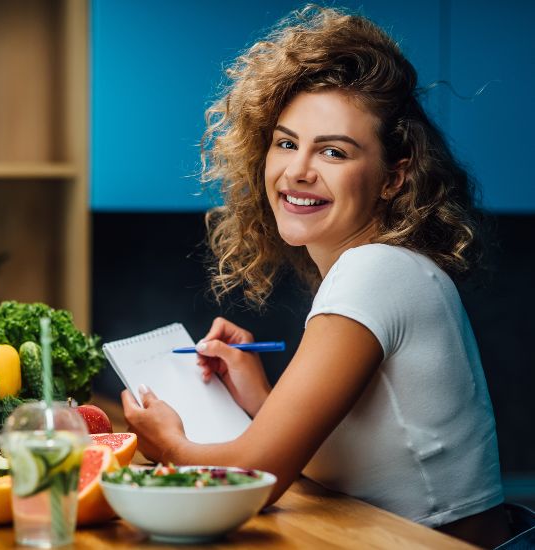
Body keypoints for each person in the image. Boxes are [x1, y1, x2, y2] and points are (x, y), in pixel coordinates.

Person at [120, 5, 513, 548]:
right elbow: (363, 456)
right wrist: (260, 398)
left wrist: (168, 444)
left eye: (333, 151)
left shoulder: (374, 270)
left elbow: (253, 480)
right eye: (286, 143)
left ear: (393, 178)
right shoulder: (388, 267)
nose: (298, 170)